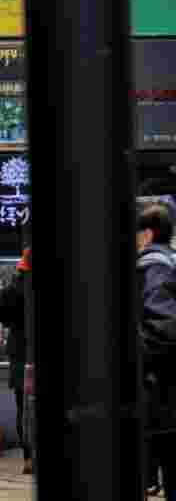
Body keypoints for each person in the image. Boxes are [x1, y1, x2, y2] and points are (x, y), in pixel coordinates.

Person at [140, 205, 176, 500]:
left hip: (161, 388)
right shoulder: (169, 264)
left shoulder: (154, 268)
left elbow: (162, 329)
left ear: (148, 233)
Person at [0, 249, 32, 470]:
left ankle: (28, 457)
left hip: (20, 351)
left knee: (23, 404)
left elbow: (5, 320)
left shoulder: (9, 291)